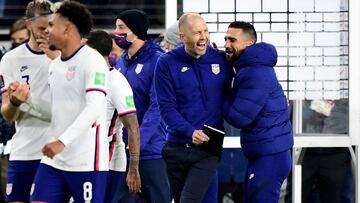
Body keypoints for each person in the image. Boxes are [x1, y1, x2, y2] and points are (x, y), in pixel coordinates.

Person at [27, 1, 108, 202]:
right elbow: (55, 110)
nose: (46, 31)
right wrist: (25, 100)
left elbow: (95, 107)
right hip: (54, 160)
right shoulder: (55, 65)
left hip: (86, 162)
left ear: (67, 29)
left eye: (52, 25)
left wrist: (62, 141)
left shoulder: (93, 60)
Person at [154, 13, 231, 202]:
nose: (203, 36)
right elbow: (166, 108)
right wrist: (190, 132)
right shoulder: (166, 63)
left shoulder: (221, 59)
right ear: (182, 37)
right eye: (197, 33)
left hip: (208, 146)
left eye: (205, 31)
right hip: (176, 147)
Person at [222, 21, 293, 203]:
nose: (226, 45)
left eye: (232, 40)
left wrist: (220, 91)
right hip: (265, 154)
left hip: (270, 157)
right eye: (225, 39)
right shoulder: (250, 68)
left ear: (249, 44)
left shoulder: (255, 73)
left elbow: (238, 117)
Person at [0, 1, 56, 202]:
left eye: (52, 25)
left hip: (56, 156)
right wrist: (15, 102)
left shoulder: (67, 57)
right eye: (42, 27)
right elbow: (7, 115)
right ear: (28, 25)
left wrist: (57, 59)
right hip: (23, 152)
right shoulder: (11, 59)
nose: (47, 32)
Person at [113, 9, 171, 203]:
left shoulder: (158, 61)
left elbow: (158, 108)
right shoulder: (121, 62)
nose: (116, 32)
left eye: (121, 27)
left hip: (151, 152)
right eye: (116, 27)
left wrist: (136, 144)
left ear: (136, 31)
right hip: (124, 152)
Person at [85, 30, 141, 203]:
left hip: (108, 159)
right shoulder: (85, 78)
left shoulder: (116, 81)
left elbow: (132, 127)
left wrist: (134, 167)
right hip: (83, 155)